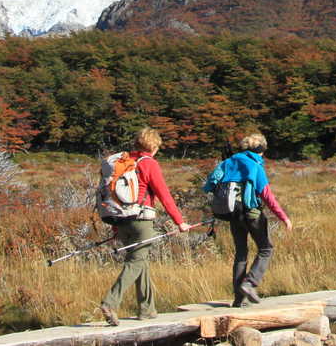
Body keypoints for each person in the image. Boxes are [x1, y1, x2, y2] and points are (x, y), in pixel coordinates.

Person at [99, 127, 193, 325]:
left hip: (121, 219)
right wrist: (180, 222)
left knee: (140, 261)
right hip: (141, 220)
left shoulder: (124, 162)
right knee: (136, 262)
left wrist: (116, 228)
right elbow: (164, 195)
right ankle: (110, 302)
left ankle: (147, 309)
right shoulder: (149, 163)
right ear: (154, 146)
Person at [207, 131, 293, 306]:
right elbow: (267, 195)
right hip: (251, 213)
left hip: (232, 214)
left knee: (241, 253)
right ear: (260, 150)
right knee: (266, 248)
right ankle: (250, 283)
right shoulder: (255, 166)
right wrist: (284, 217)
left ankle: (238, 300)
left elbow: (208, 185)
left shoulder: (227, 162)